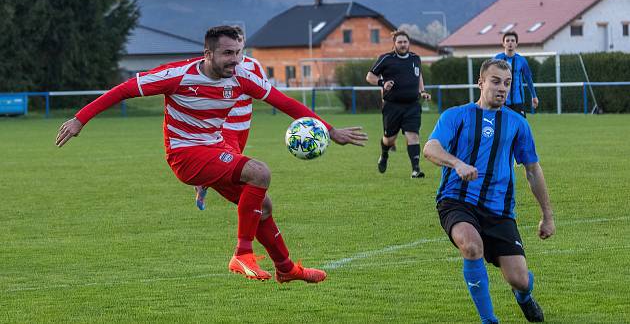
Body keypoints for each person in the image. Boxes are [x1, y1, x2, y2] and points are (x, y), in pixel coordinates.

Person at [56, 26, 368, 284]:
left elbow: (285, 103)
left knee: (263, 204)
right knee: (260, 172)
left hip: (213, 148)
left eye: (238, 52)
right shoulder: (177, 76)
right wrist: (80, 120)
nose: (235, 59)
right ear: (208, 54)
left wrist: (330, 130)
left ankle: (286, 269)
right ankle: (242, 253)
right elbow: (123, 90)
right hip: (185, 156)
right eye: (227, 53)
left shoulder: (242, 77)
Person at [423, 59, 555, 323]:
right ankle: (489, 320)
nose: (502, 88)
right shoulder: (455, 115)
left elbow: (532, 170)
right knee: (471, 246)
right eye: (495, 82)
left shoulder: (517, 124)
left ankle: (524, 296)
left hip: (499, 210)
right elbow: (431, 148)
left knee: (519, 279)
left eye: (507, 83)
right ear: (480, 83)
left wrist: (547, 215)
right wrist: (457, 163)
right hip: (457, 201)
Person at [194, 25, 267, 210]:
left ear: (243, 43)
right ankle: (249, 207)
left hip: (244, 126)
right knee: (235, 171)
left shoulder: (253, 65)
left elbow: (264, 89)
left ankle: (203, 183)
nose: (238, 46)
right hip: (225, 126)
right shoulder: (220, 66)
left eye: (241, 42)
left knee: (235, 166)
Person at [366, 30, 431, 178]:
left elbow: (418, 75)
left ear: (409, 43)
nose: (403, 45)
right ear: (394, 44)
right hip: (392, 106)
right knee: (389, 139)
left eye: (405, 42)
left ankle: (416, 170)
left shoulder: (415, 58)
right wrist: (382, 83)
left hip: (412, 105)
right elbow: (370, 76)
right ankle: (384, 154)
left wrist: (422, 92)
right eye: (399, 42)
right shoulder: (386, 58)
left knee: (413, 135)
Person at [494, 31, 538, 117]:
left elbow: (528, 79)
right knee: (502, 129)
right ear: (503, 43)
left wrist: (534, 96)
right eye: (507, 41)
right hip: (501, 102)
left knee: (520, 129)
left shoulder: (521, 60)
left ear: (516, 44)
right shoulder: (497, 59)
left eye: (512, 40)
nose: (510, 43)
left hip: (518, 102)